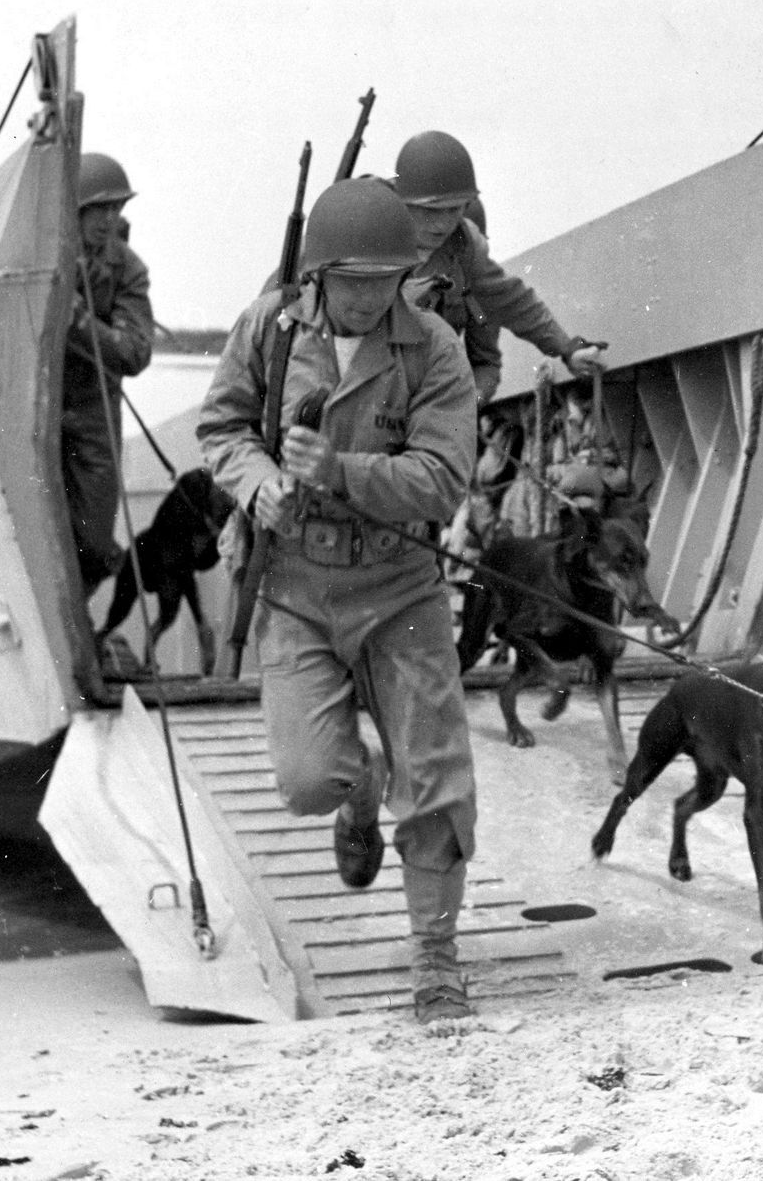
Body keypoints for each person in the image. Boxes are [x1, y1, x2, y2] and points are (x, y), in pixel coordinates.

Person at [195, 176, 481, 1023]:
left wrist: (340, 471)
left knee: (435, 781)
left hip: (401, 588)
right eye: (351, 281)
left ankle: (436, 960)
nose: (367, 297)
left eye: (384, 280)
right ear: (319, 273)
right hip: (296, 587)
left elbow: (444, 478)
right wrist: (257, 484)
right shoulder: (269, 328)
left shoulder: (434, 349)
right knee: (307, 780)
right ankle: (361, 789)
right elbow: (221, 427)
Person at [391, 131, 605, 403]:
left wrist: (567, 348)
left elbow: (512, 301)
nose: (444, 223)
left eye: (454, 209)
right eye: (431, 210)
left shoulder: (464, 246)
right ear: (403, 204)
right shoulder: (368, 234)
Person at [62, 152, 154, 595]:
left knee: (96, 544)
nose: (109, 219)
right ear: (75, 210)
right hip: (37, 406)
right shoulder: (45, 257)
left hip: (93, 410)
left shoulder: (128, 269)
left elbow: (135, 352)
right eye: (99, 208)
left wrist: (79, 320)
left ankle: (75, 618)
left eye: (116, 208)